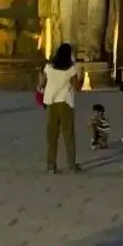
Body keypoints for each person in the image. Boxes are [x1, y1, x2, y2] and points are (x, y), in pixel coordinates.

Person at [42, 42, 82, 173]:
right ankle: (72, 165)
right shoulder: (71, 69)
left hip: (51, 103)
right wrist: (80, 76)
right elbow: (77, 87)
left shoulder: (49, 67)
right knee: (68, 135)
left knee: (52, 137)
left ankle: (51, 166)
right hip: (66, 103)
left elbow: (41, 82)